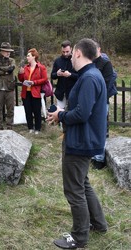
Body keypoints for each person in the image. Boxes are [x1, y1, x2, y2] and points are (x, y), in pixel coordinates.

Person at [47, 38, 108, 249]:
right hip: (85, 138)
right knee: (83, 183)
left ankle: (79, 236)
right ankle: (98, 223)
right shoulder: (89, 75)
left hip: (81, 140)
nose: (71, 57)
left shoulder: (89, 78)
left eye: (73, 53)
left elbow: (82, 113)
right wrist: (62, 115)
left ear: (79, 53)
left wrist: (61, 115)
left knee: (74, 189)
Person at [91, 42, 117, 169]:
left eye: (94, 49)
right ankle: (92, 155)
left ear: (99, 49)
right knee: (91, 128)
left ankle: (99, 159)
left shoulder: (106, 63)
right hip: (90, 100)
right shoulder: (89, 63)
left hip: (101, 101)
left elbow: (106, 84)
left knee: (100, 129)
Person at [18, 48, 48, 134]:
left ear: (34, 57)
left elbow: (45, 79)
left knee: (37, 111)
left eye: (28, 56)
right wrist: (20, 73)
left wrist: (34, 82)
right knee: (28, 110)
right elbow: (21, 79)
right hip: (26, 93)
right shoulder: (25, 67)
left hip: (36, 92)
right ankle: (30, 127)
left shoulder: (41, 67)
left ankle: (38, 128)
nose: (27, 57)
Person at [0, 42, 16, 130]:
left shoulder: (12, 60)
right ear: (1, 51)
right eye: (6, 51)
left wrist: (0, 68)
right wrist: (5, 70)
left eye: (9, 51)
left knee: (10, 108)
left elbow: (11, 68)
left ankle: (9, 126)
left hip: (9, 87)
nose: (9, 53)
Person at [51, 40, 78, 109]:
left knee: (72, 112)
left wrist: (70, 75)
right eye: (63, 52)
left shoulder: (76, 60)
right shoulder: (58, 61)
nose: (65, 54)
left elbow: (80, 76)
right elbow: (52, 76)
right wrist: (57, 74)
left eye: (67, 52)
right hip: (61, 92)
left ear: (71, 49)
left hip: (73, 92)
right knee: (59, 113)